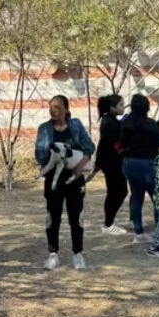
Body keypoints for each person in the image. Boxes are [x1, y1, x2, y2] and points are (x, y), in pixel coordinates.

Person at [36, 95, 95, 271]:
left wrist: (79, 166)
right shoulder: (45, 129)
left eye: (57, 107)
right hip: (53, 177)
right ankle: (53, 254)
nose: (53, 110)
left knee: (76, 216)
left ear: (67, 109)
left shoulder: (76, 126)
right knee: (53, 216)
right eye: (51, 107)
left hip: (75, 177)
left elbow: (89, 147)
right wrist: (53, 157)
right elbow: (39, 154)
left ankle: (78, 253)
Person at [120, 94, 159, 244]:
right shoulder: (151, 124)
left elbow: (122, 143)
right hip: (149, 163)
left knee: (136, 197)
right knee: (156, 198)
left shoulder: (126, 124)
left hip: (131, 163)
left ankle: (139, 232)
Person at [95, 95, 128, 235]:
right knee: (117, 192)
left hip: (112, 161)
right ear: (112, 107)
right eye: (120, 105)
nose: (123, 107)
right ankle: (108, 223)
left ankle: (109, 222)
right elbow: (115, 142)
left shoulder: (111, 121)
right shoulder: (108, 123)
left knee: (118, 191)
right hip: (110, 162)